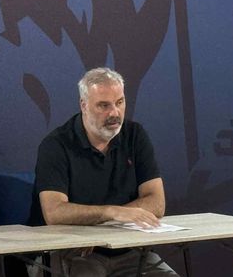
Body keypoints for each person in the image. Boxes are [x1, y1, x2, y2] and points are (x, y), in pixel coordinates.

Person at [29, 67, 179, 276]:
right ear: (84, 105)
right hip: (73, 251)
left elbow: (156, 203)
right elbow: (54, 212)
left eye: (120, 102)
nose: (114, 113)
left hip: (129, 249)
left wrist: (106, 223)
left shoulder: (135, 135)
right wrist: (111, 212)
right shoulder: (56, 145)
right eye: (104, 105)